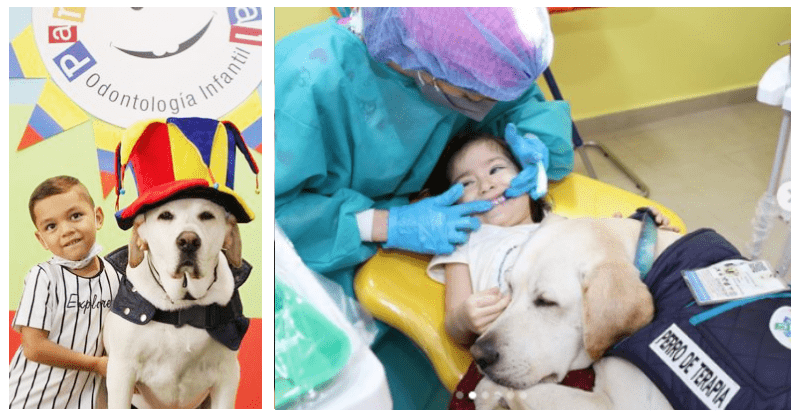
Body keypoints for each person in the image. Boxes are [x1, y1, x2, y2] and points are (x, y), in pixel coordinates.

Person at [275, 7, 574, 301]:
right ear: (425, 64)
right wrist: (384, 224)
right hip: (319, 266)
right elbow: (272, 220)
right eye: (470, 96)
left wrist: (533, 140)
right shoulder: (306, 80)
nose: (484, 105)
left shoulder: (480, 57)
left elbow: (519, 104)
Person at [9, 176, 122, 409]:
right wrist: (95, 364)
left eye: (75, 216)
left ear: (97, 217)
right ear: (41, 239)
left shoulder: (115, 277)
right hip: (27, 402)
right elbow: (34, 347)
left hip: (81, 404)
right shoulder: (43, 277)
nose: (67, 230)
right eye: (51, 226)